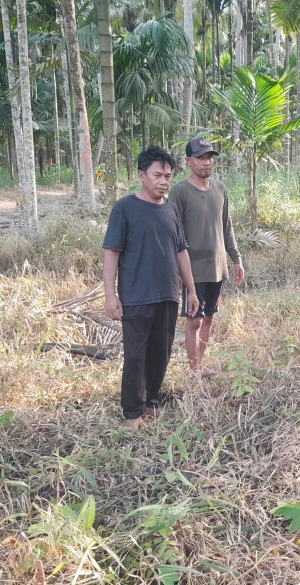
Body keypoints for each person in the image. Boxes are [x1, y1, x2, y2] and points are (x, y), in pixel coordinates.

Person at [103, 145, 199, 431]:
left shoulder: (170, 209)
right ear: (141, 175)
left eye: (168, 176)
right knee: (136, 355)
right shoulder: (125, 208)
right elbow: (111, 252)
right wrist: (111, 295)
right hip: (136, 296)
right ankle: (132, 413)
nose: (164, 181)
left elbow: (181, 251)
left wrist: (191, 290)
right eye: (158, 175)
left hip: (168, 294)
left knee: (162, 352)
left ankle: (152, 402)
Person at [168, 136, 244, 377]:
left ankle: (200, 365)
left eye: (209, 157)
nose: (206, 163)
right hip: (192, 269)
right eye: (200, 158)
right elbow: (173, 232)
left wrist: (236, 259)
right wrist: (177, 270)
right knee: (194, 321)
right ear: (188, 161)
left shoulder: (220, 189)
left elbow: (226, 226)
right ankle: (193, 372)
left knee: (209, 317)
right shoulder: (180, 192)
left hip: (217, 267)